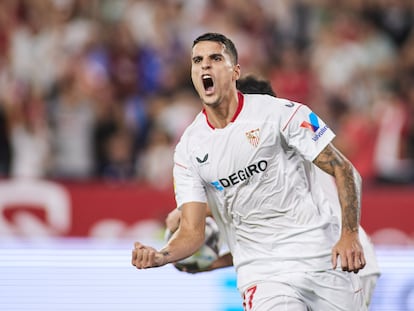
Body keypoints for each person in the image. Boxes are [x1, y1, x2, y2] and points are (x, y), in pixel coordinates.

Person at [132, 32, 367, 310]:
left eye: (215, 58)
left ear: (235, 71)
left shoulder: (283, 113)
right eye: (197, 60)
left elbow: (343, 169)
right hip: (262, 274)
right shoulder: (188, 149)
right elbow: (192, 232)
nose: (205, 66)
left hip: (322, 257)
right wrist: (161, 256)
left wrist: (349, 234)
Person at [165, 74, 380, 307]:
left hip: (340, 258)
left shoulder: (272, 149)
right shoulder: (278, 143)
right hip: (328, 258)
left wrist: (190, 217)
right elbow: (271, 245)